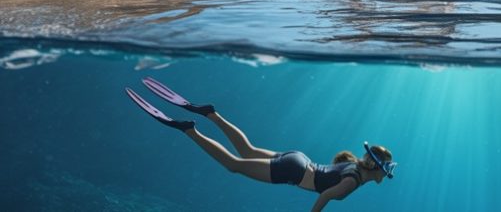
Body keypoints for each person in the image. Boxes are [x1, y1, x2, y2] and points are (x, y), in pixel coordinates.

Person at [126, 77, 396, 212]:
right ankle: (190, 130)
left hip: (299, 159)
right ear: (376, 167)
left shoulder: (353, 166)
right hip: (295, 172)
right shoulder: (353, 182)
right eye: (387, 169)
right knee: (234, 165)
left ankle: (211, 113)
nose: (387, 173)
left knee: (247, 150)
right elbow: (325, 195)